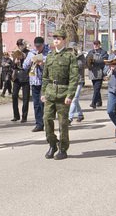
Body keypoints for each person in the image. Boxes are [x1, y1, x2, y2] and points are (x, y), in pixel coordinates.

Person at [42, 31, 79, 159]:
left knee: (63, 123)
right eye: (54, 38)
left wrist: (70, 95)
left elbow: (74, 78)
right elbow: (45, 76)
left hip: (63, 93)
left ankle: (63, 149)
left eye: (58, 38)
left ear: (64, 40)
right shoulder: (50, 56)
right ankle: (52, 144)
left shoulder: (70, 56)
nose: (56, 40)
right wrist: (43, 92)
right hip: (50, 92)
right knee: (47, 120)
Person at [23, 36, 49, 132]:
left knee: (43, 103)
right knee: (36, 104)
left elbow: (51, 67)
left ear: (43, 45)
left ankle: (46, 122)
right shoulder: (31, 53)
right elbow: (24, 66)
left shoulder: (48, 53)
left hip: (45, 81)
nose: (38, 48)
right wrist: (30, 61)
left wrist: (43, 64)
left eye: (39, 46)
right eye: (36, 46)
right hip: (34, 81)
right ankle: (39, 124)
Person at [11, 39, 31, 122]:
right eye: (19, 45)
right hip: (17, 77)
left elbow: (30, 64)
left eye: (21, 45)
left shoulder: (28, 53)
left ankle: (24, 116)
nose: (20, 46)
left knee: (25, 98)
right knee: (14, 95)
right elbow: (12, 66)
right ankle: (16, 115)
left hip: (25, 76)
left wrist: (23, 59)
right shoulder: (16, 53)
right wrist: (15, 62)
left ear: (24, 45)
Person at [68, 41, 86, 123]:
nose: (71, 50)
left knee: (74, 99)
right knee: (75, 99)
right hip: (71, 80)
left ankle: (70, 117)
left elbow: (81, 65)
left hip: (79, 80)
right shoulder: (68, 56)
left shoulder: (81, 56)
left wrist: (77, 56)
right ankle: (80, 114)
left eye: (72, 48)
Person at [86, 40, 108, 109]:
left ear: (99, 44)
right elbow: (87, 60)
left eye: (97, 44)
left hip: (100, 72)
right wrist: (88, 64)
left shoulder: (103, 52)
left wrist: (94, 61)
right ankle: (99, 101)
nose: (95, 45)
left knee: (97, 88)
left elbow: (104, 61)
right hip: (92, 73)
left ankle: (93, 103)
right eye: (94, 44)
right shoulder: (90, 52)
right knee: (96, 88)